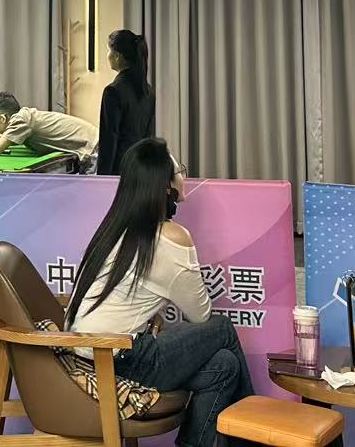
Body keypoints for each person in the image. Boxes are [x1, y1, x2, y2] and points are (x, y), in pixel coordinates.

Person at [67, 138, 251, 447]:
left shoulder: (115, 228)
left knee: (224, 365)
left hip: (90, 354)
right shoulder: (172, 238)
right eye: (180, 171)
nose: (183, 176)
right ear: (165, 186)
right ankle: (254, 433)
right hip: (122, 359)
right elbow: (201, 315)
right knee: (221, 327)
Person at [0, 92, 98, 167]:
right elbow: (13, 137)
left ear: (3, 118)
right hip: (94, 145)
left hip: (94, 150)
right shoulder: (24, 116)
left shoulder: (21, 120)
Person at [97, 31, 155, 175]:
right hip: (141, 169)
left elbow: (109, 141)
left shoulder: (112, 91)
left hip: (119, 172)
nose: (108, 55)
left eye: (109, 51)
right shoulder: (148, 91)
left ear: (118, 56)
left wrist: (101, 179)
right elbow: (148, 136)